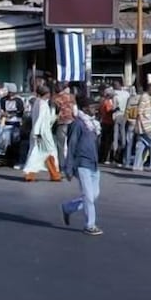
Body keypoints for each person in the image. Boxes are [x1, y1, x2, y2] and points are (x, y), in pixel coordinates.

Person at [61, 97, 103, 236]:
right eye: (92, 107)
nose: (94, 109)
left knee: (94, 195)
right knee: (88, 196)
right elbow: (71, 145)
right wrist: (68, 167)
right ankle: (90, 225)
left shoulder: (92, 124)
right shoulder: (77, 124)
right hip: (82, 164)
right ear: (85, 108)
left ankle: (68, 208)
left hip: (94, 163)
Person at [24, 85, 62, 182]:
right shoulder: (43, 105)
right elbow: (41, 120)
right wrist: (37, 132)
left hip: (37, 132)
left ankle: (53, 174)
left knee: (42, 153)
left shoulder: (37, 102)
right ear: (46, 94)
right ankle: (53, 174)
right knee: (48, 152)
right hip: (43, 133)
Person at [133, 84, 151, 172]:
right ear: (150, 89)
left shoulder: (146, 98)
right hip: (146, 126)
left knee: (141, 144)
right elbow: (140, 112)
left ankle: (137, 165)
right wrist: (141, 125)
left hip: (143, 126)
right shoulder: (145, 98)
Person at [53, 83, 75, 172]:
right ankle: (71, 165)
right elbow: (75, 109)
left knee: (60, 145)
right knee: (71, 144)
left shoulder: (55, 98)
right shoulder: (71, 97)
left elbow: (54, 111)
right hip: (71, 121)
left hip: (61, 121)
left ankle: (62, 166)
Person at [99, 88, 116, 165]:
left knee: (103, 141)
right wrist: (115, 110)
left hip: (104, 121)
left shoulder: (102, 101)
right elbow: (109, 111)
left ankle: (102, 157)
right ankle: (106, 157)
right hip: (108, 122)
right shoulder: (107, 102)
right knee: (108, 141)